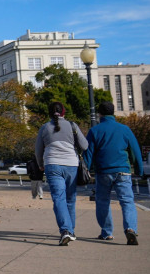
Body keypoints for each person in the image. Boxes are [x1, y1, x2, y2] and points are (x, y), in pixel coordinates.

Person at [82, 102, 143, 245]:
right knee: (127, 201)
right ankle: (130, 228)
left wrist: (85, 171)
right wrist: (139, 169)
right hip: (123, 170)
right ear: (113, 113)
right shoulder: (125, 129)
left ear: (100, 114)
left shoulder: (95, 131)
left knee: (103, 201)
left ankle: (106, 232)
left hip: (103, 171)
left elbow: (88, 153)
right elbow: (135, 150)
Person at [35, 102, 88, 246]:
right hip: (71, 164)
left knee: (59, 198)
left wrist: (40, 164)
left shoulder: (44, 127)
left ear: (49, 113)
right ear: (64, 112)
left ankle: (65, 230)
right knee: (70, 199)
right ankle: (71, 231)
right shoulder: (72, 125)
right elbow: (84, 145)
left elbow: (38, 150)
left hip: (52, 165)